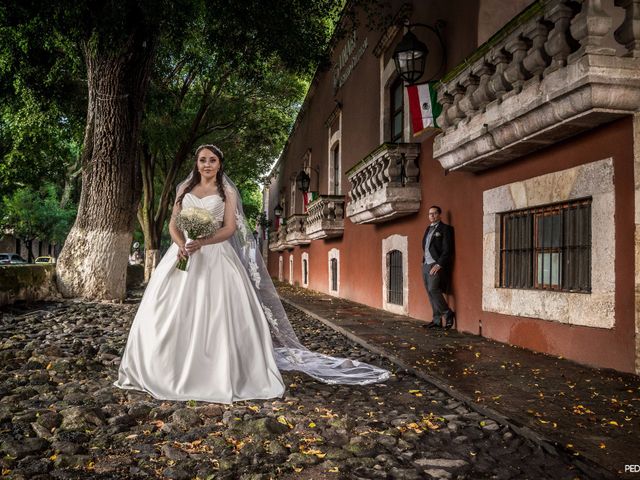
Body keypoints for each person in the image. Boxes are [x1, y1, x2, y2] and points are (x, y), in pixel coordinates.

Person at [115, 145, 388, 403]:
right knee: (166, 310)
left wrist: (203, 241)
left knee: (218, 313)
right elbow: (174, 224)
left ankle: (218, 371)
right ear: (196, 163)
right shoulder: (184, 189)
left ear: (219, 164)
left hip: (216, 256)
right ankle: (165, 367)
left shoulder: (227, 192)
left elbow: (229, 228)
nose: (207, 164)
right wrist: (181, 245)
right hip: (184, 253)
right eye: (202, 160)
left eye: (212, 160)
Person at [421, 205, 455, 330]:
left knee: (433, 289)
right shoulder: (428, 229)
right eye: (430, 214)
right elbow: (426, 247)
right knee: (429, 292)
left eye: (435, 213)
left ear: (440, 214)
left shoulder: (445, 229)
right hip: (425, 265)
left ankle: (448, 313)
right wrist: (424, 262)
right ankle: (436, 320)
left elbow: (447, 249)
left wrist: (439, 264)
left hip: (436, 264)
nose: (432, 215)